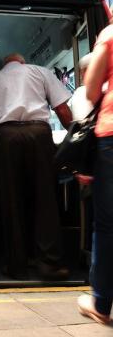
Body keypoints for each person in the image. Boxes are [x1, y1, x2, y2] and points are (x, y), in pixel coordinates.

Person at [0, 53, 73, 280]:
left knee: (12, 202)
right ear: (22, 61)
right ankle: (49, 264)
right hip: (38, 134)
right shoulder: (40, 72)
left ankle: (16, 265)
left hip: (5, 137)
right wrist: (77, 139)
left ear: (5, 64)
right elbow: (62, 109)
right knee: (45, 198)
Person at [77, 21, 113, 325]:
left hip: (111, 137)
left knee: (107, 224)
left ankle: (101, 303)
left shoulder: (110, 35)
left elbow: (90, 90)